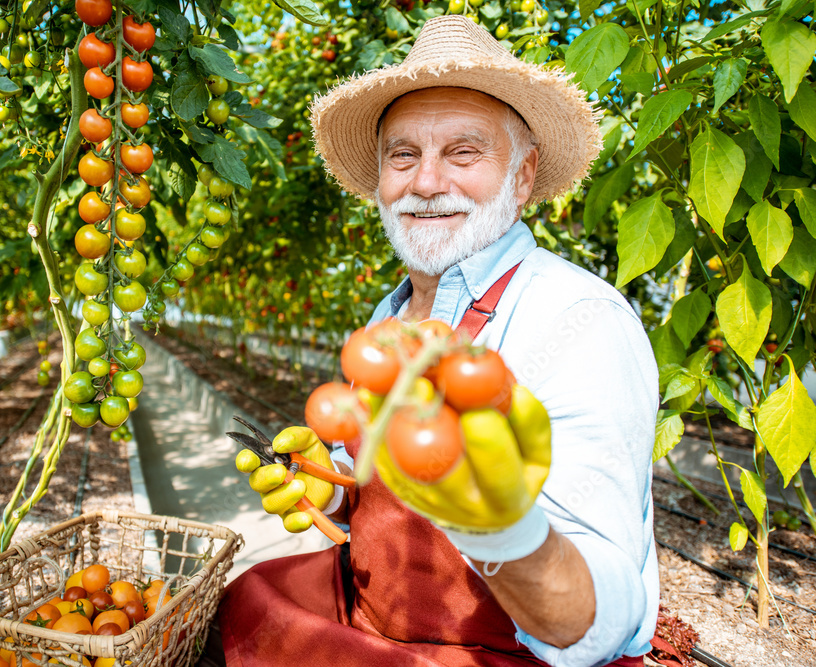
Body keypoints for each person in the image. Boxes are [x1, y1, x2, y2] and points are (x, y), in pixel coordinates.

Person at [213, 15, 659, 667]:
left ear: (525, 175)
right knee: (241, 599)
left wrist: (502, 529)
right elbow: (379, 499)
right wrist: (329, 485)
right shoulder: (385, 323)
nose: (425, 182)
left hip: (494, 655)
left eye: (463, 152)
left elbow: (593, 623)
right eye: (404, 155)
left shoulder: (579, 320)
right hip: (375, 623)